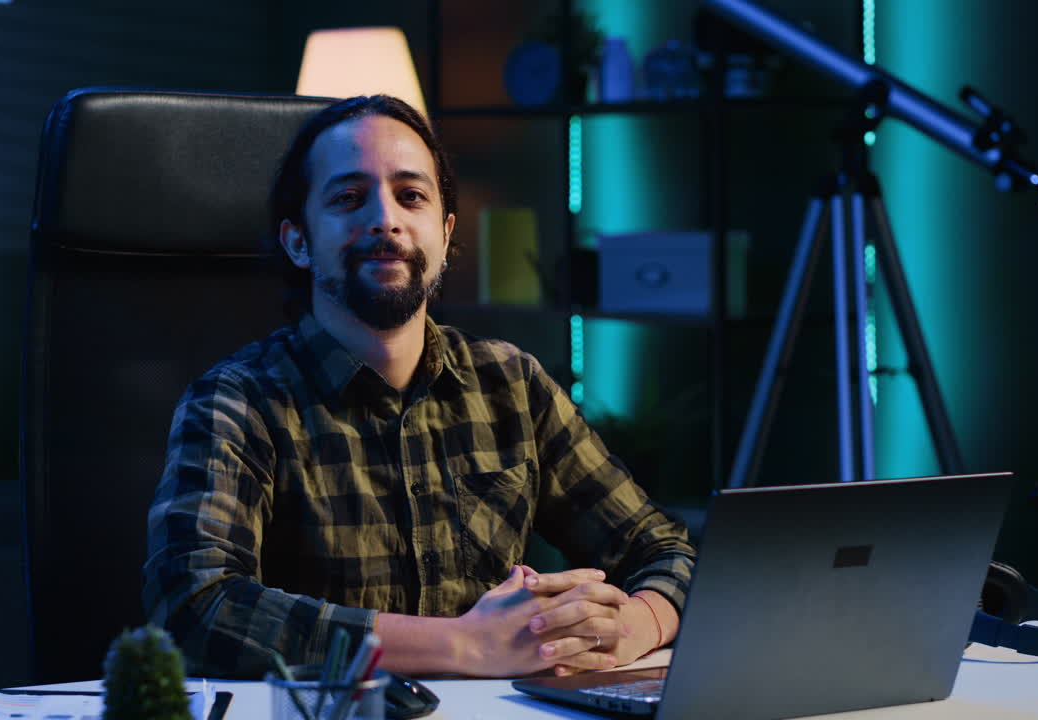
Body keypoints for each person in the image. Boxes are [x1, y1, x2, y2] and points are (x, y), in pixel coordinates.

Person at [143, 95, 695, 680]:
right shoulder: (239, 400)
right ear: (298, 241)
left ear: (446, 234)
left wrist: (631, 628)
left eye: (411, 196)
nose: (386, 219)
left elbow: (661, 549)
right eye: (349, 198)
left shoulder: (511, 384)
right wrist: (462, 645)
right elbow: (192, 603)